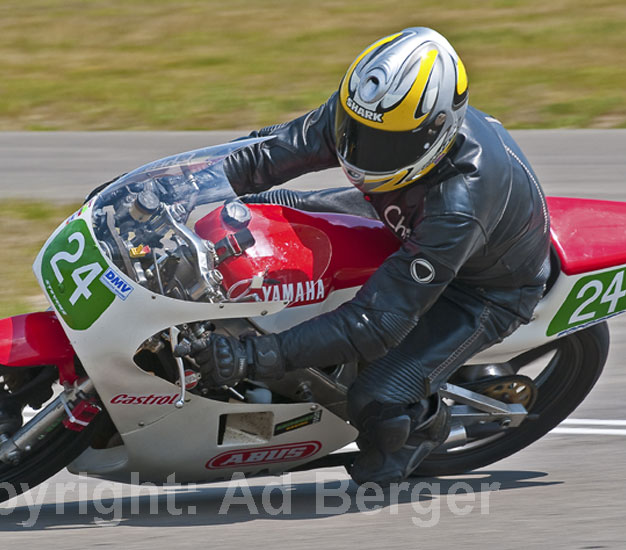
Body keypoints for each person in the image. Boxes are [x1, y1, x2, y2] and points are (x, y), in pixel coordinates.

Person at [191, 27, 551, 486]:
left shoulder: (459, 203)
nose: (362, 151)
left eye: (386, 144)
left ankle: (420, 428)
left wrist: (254, 357)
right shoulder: (369, 114)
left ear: (435, 132)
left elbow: (377, 323)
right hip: (407, 217)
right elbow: (263, 155)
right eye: (357, 132)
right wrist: (171, 188)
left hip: (485, 288)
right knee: (268, 211)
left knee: (377, 396)